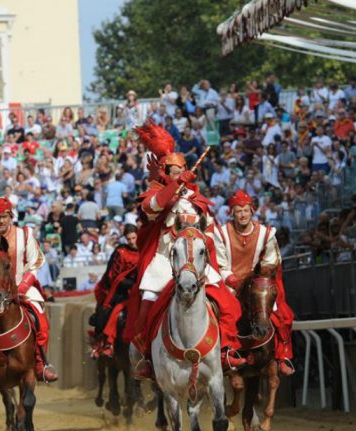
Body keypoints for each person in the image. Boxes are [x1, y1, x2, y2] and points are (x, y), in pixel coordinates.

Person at [125, 121, 246, 381]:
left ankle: (226, 348)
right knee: (147, 304)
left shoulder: (196, 201)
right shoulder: (154, 193)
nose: (179, 173)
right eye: (173, 170)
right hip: (163, 261)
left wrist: (212, 261)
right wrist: (175, 185)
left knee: (229, 303)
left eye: (182, 170)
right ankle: (148, 356)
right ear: (164, 171)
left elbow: (210, 232)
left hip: (196, 262)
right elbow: (152, 208)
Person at [0, 197, 58, 385]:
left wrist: (21, 288)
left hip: (22, 285)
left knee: (39, 315)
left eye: (5, 216)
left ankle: (41, 363)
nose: (1, 221)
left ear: (11, 216)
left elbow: (35, 264)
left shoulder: (25, 234)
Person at [218, 191, 295, 376]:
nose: (243, 214)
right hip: (229, 283)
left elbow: (272, 259)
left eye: (245, 210)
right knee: (216, 310)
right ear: (232, 213)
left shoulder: (266, 233)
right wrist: (235, 282)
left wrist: (260, 274)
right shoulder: (221, 233)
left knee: (280, 313)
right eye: (238, 211)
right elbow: (219, 263)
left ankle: (282, 356)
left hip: (257, 282)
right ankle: (223, 352)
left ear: (252, 211)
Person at [91, 224, 138, 359]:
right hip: (118, 290)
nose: (132, 242)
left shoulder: (144, 251)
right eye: (129, 239)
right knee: (107, 312)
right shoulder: (120, 252)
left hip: (139, 290)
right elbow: (113, 275)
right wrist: (129, 285)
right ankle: (102, 343)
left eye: (134, 238)